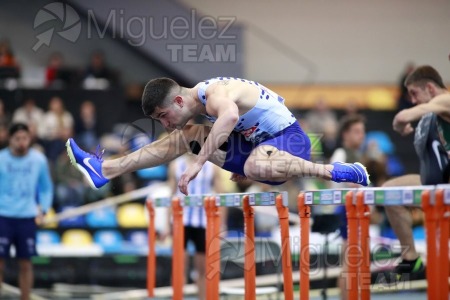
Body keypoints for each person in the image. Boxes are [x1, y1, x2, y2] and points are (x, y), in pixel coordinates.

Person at [66, 77, 370, 195]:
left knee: (248, 162)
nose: (166, 124)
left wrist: (199, 163)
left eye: (164, 116)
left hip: (290, 140)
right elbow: (239, 124)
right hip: (257, 146)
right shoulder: (197, 104)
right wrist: (239, 161)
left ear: (179, 101)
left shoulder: (214, 94)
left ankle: (334, 171)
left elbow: (231, 116)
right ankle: (106, 168)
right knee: (188, 135)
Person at [385, 65, 450, 282]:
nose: (412, 100)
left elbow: (408, 113)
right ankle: (411, 258)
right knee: (389, 192)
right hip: (436, 185)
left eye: (414, 93)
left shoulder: (445, 101)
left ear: (430, 88)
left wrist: (400, 119)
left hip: (446, 188)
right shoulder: (429, 118)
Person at [0, 123, 53, 300]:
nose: (22, 142)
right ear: (10, 139)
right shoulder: (1, 159)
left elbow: (46, 188)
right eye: (18, 139)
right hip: (3, 217)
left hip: (27, 218)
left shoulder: (38, 160)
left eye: (25, 138)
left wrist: (43, 210)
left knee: (25, 263)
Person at [167, 154, 223, 300]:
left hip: (203, 221)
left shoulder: (212, 166)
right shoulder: (176, 165)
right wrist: (167, 225)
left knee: (203, 268)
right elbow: (171, 194)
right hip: (181, 220)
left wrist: (221, 224)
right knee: (179, 267)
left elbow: (221, 195)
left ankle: (203, 298)